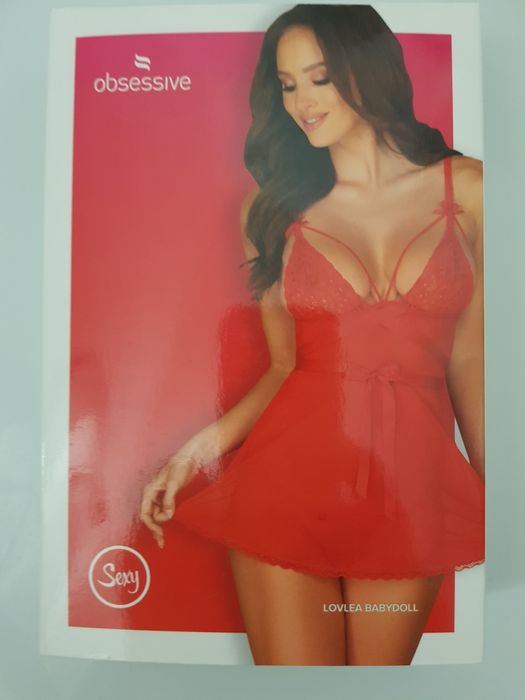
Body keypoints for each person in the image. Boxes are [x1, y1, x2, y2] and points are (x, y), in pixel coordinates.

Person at [139, 4, 485, 666]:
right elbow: (284, 367)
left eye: (319, 78)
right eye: (288, 84)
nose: (302, 102)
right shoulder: (271, 212)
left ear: (368, 70)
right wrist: (192, 454)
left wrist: (500, 496)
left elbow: (472, 360)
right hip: (285, 488)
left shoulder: (467, 188)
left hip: (411, 491)